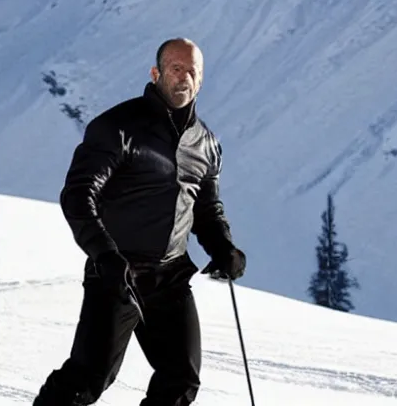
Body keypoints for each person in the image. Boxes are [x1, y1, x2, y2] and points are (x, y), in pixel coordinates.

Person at [33, 37, 247, 406]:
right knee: (88, 377)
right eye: (176, 68)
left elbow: (207, 209)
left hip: (170, 276)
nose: (183, 77)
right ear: (156, 72)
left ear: (201, 79)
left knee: (180, 379)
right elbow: (78, 195)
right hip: (117, 272)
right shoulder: (118, 126)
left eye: (191, 71)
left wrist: (224, 248)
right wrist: (105, 254)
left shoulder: (207, 144)